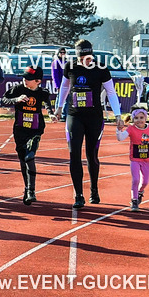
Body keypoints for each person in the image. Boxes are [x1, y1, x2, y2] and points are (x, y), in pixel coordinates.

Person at [52, 39, 124, 208]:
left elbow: (111, 92)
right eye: (83, 56)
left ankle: (94, 190)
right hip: (74, 115)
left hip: (94, 117)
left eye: (89, 56)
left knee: (92, 155)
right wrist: (59, 107)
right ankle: (78, 195)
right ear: (77, 56)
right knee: (74, 154)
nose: (87, 60)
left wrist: (118, 115)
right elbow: (64, 87)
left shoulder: (101, 68)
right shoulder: (70, 66)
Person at [1, 66, 55, 205]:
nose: (25, 80)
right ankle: (27, 188)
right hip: (20, 129)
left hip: (35, 129)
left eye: (29, 79)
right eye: (24, 77)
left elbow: (47, 105)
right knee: (23, 160)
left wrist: (51, 114)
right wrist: (16, 99)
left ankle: (31, 190)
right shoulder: (18, 89)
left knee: (29, 156)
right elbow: (4, 99)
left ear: (37, 81)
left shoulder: (42, 92)